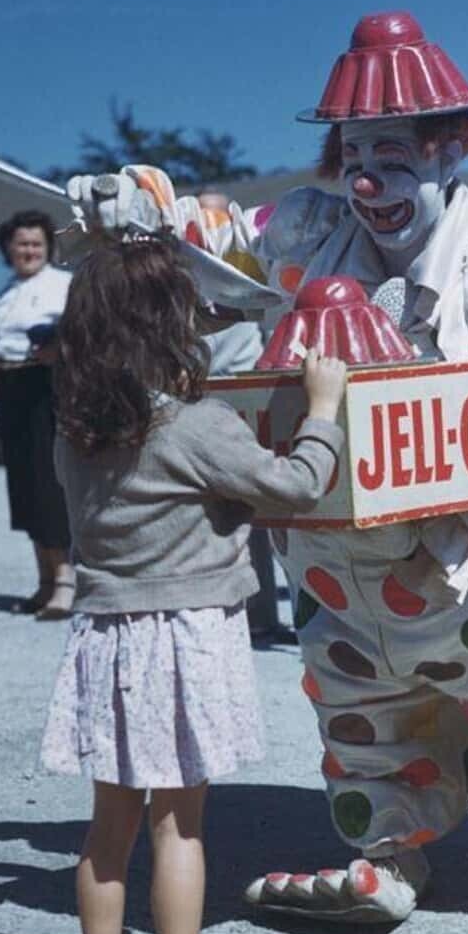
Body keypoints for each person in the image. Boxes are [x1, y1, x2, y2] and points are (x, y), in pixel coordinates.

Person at [65, 10, 468, 934]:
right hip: (362, 518)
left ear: (455, 148)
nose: (368, 180)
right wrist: (144, 205)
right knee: (349, 661)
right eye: (354, 153)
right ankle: (383, 844)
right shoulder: (311, 230)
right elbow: (227, 231)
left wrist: (456, 555)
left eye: (394, 155)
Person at [37, 232, 346, 934]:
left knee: (109, 829)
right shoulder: (199, 425)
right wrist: (321, 410)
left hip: (106, 639)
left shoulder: (75, 435)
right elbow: (297, 484)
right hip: (187, 641)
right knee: (181, 826)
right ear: (167, 326)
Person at [0, 210, 74, 618]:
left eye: (36, 244)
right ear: (8, 248)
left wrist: (58, 349)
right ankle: (43, 580)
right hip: (10, 391)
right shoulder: (4, 293)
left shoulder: (63, 286)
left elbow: (84, 337)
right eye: (21, 244)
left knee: (49, 486)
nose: (28, 251)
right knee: (23, 488)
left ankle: (65, 581)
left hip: (47, 389)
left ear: (48, 248)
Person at [197, 189, 294, 645]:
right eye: (203, 213)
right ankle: (229, 611)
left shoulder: (253, 262)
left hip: (248, 390)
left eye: (218, 213)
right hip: (199, 392)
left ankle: (265, 613)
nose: (211, 221)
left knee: (263, 505)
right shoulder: (184, 269)